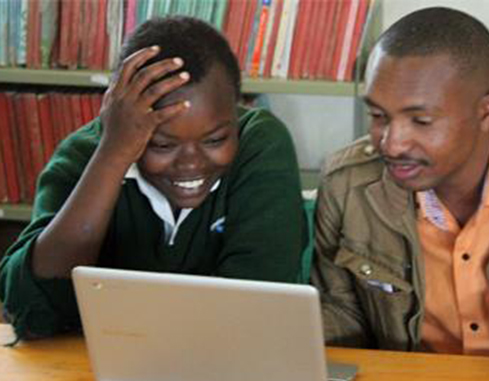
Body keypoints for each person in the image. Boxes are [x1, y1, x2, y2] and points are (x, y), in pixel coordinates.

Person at [311, 7, 489, 364]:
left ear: (487, 110)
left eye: (421, 121)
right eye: (378, 116)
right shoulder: (345, 185)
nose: (392, 143)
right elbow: (341, 313)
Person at [0, 16, 306, 339]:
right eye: (162, 144)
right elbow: (28, 311)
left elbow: (256, 310)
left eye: (215, 140)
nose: (191, 163)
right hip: (95, 370)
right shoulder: (84, 156)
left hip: (222, 369)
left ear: (234, 113)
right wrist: (112, 156)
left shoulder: (260, 143)